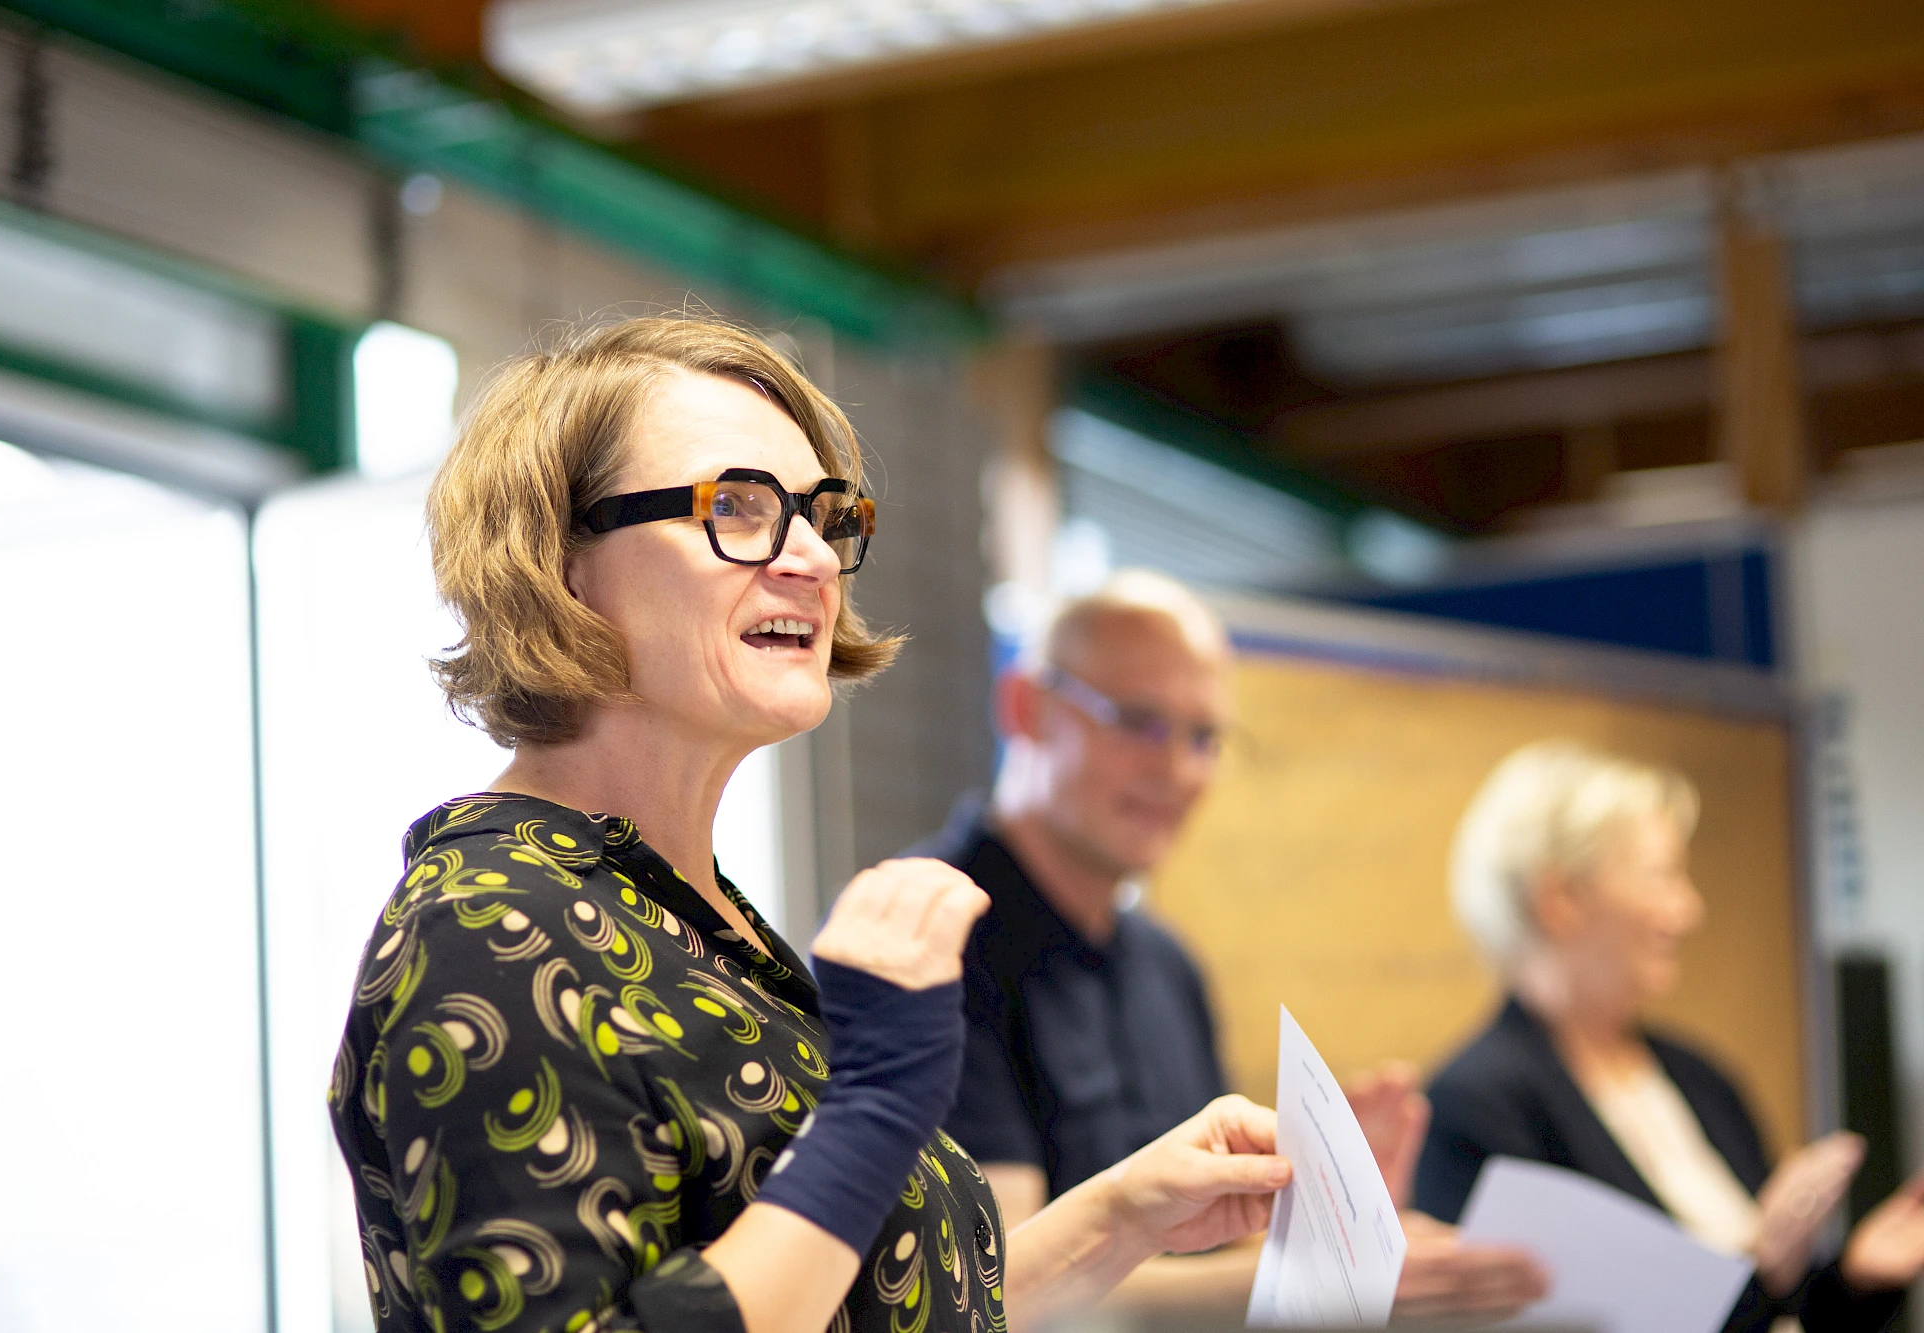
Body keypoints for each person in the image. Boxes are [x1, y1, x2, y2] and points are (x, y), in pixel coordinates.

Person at [328, 316, 1301, 1333]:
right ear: (559, 561)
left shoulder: (683, 911)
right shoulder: (488, 928)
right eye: (735, 506)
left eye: (819, 515)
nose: (812, 559)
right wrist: (875, 1106)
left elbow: (873, 1305)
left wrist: (1125, 1213)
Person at [912, 570, 1548, 1318]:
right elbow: (994, 1287)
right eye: (1140, 721)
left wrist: (1335, 1220)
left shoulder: (1165, 964)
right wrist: (1321, 1282)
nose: (1178, 769)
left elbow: (1212, 1247)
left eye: (1204, 737)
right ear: (1026, 707)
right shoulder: (928, 938)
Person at [1416, 739, 1924, 1332]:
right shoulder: (1474, 1106)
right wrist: (1760, 1276)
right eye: (1663, 877)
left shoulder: (1700, 1077)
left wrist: (1857, 1280)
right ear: (1561, 898)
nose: (1688, 910)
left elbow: (1780, 1307)